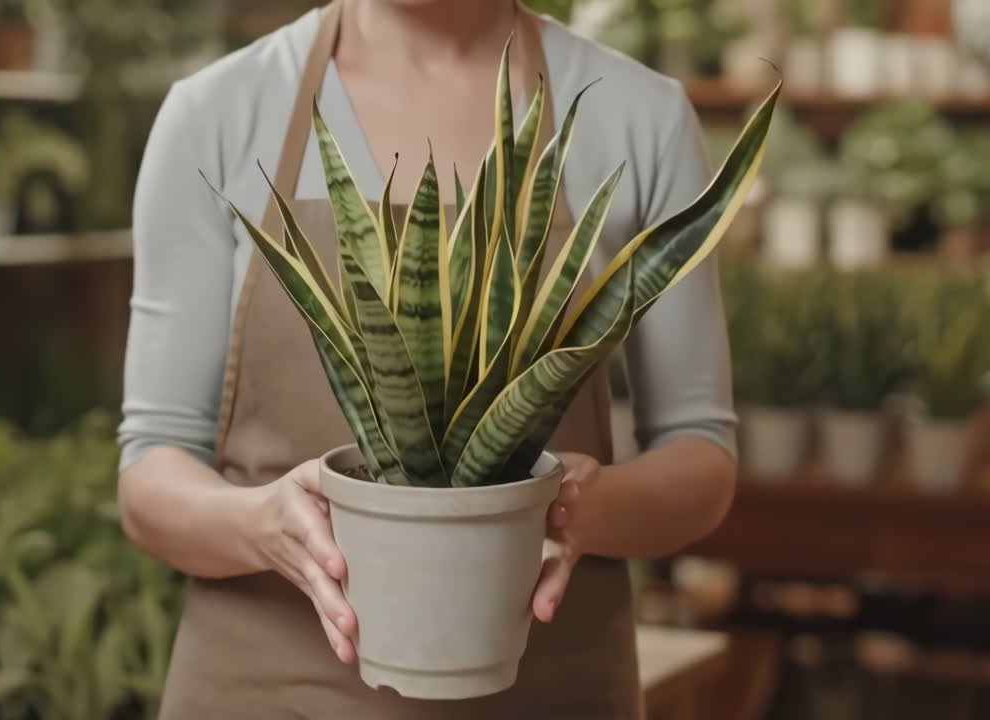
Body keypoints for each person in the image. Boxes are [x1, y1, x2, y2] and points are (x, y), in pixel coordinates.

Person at [117, 1, 738, 717]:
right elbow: (152, 472)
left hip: (550, 693)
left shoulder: (641, 115)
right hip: (264, 689)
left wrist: (578, 510)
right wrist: (265, 525)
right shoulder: (217, 112)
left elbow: (703, 459)